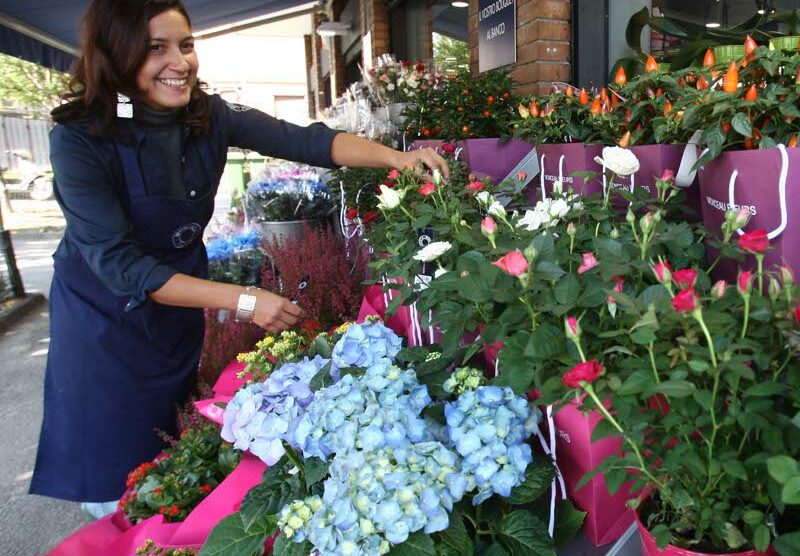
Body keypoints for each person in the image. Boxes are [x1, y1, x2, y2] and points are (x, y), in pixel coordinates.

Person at [30, 0, 449, 515]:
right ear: (116, 56)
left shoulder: (207, 116)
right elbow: (121, 267)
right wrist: (247, 301)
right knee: (117, 483)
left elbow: (306, 141)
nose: (179, 62)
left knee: (175, 464)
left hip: (174, 311)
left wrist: (398, 158)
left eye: (185, 45)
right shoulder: (78, 139)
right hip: (103, 329)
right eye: (155, 48)